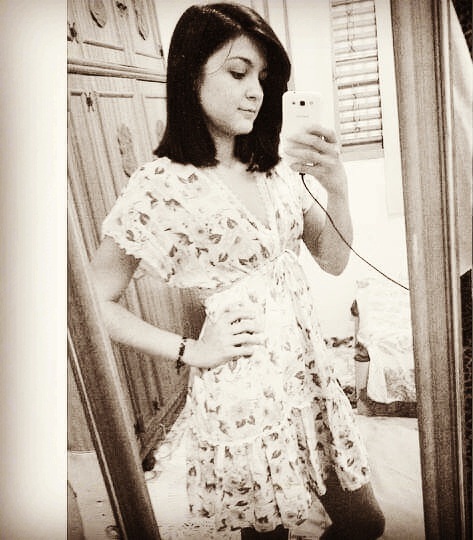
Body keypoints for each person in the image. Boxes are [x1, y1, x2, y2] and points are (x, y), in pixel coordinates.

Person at [91, 3, 385, 539]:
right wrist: (189, 350)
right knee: (266, 530)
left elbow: (334, 258)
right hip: (243, 396)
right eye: (238, 72)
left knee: (365, 523)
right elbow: (94, 302)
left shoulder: (273, 164)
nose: (256, 92)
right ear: (190, 76)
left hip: (309, 377)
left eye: (263, 79)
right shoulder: (161, 186)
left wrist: (338, 186)